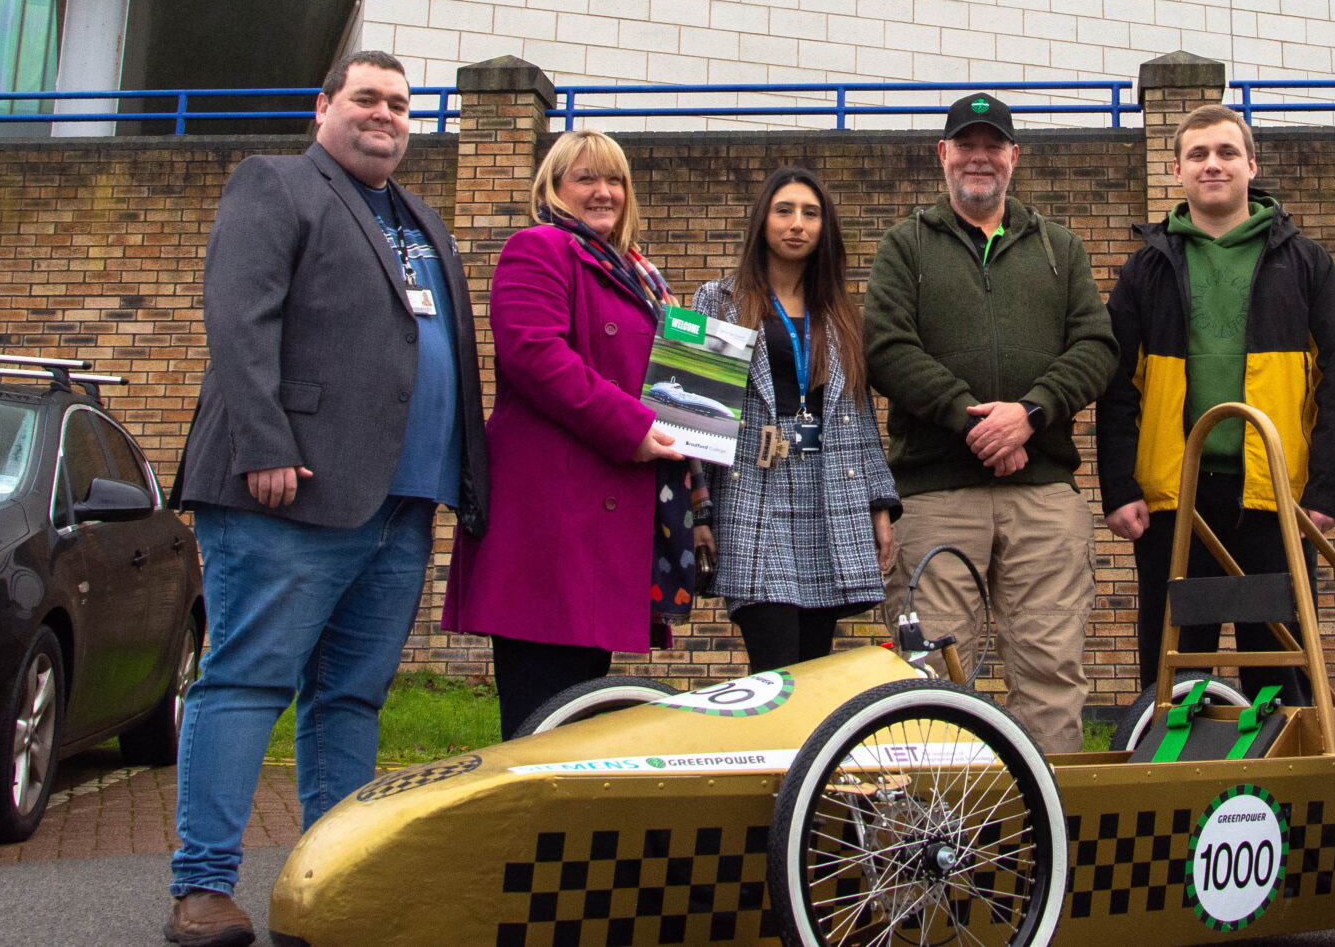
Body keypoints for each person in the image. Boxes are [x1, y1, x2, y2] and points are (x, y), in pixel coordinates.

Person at [167, 50, 489, 947]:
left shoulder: (422, 219)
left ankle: (332, 888)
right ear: (324, 107)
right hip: (289, 490)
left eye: (399, 103)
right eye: (367, 98)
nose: (385, 114)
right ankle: (202, 888)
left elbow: (447, 360)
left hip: (401, 504)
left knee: (349, 698)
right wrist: (264, 441)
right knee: (246, 678)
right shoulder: (274, 184)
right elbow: (238, 317)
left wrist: (463, 482)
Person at [863, 93, 1117, 753]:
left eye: (993, 145)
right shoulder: (905, 245)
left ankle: (1048, 837)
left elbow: (1096, 347)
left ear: (1014, 157)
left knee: (1051, 672)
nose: (980, 157)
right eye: (966, 144)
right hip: (937, 494)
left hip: (1042, 496)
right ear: (943, 154)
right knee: (930, 675)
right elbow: (887, 348)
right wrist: (974, 421)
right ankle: (931, 840)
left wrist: (1030, 414)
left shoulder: (1060, 246)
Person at [1096, 103, 1335, 702]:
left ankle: (1289, 792)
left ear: (1251, 164)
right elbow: (1116, 388)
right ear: (1177, 170)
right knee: (1174, 675)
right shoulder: (1145, 269)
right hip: (1173, 500)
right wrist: (1120, 488)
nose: (1212, 165)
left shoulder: (1308, 264)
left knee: (1282, 671)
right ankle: (1176, 792)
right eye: (1198, 155)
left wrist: (1326, 493)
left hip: (1274, 498)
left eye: (1226, 152)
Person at [441, 129, 699, 739]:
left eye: (614, 180)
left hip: (603, 510)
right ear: (554, 188)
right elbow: (535, 355)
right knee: (541, 714)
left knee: (581, 711)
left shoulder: (639, 275)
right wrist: (633, 429)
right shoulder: (539, 248)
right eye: (585, 178)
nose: (603, 192)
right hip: (551, 517)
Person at [696, 167, 901, 671]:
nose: (797, 224)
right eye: (784, 210)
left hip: (828, 488)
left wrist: (879, 506)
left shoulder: (839, 312)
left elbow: (859, 417)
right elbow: (695, 415)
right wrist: (698, 512)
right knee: (775, 664)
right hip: (753, 493)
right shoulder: (718, 301)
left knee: (813, 665)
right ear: (762, 221)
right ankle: (772, 749)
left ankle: (804, 753)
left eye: (810, 214)